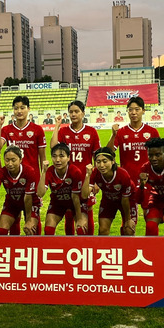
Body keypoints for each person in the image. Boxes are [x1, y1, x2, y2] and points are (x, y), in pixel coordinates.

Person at [106, 96, 160, 233]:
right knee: (128, 224)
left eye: (137, 109)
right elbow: (108, 152)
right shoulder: (122, 132)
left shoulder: (152, 132)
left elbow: (160, 157)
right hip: (127, 183)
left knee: (151, 222)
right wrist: (113, 135)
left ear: (143, 111)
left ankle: (150, 251)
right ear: (127, 112)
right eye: (131, 110)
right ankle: (128, 252)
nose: (134, 112)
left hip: (147, 182)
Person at [0, 96, 46, 234]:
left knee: (33, 217)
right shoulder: (7, 129)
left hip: (32, 178)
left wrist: (42, 177)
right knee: (14, 212)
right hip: (13, 178)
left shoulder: (37, 130)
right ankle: (14, 248)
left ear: (28, 109)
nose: (19, 111)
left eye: (22, 107)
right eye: (16, 108)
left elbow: (42, 156)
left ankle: (37, 244)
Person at [51, 100, 101, 235]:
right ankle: (70, 242)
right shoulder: (64, 131)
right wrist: (56, 126)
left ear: (83, 113)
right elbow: (53, 147)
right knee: (69, 212)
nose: (73, 114)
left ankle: (89, 241)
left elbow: (98, 158)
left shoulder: (91, 132)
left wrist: (96, 180)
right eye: (71, 112)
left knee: (88, 209)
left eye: (76, 111)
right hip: (68, 178)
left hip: (86, 178)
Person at [81, 147, 137, 236]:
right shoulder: (95, 173)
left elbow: (125, 199)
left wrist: (128, 219)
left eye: (105, 161)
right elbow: (84, 195)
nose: (102, 165)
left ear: (113, 161)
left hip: (128, 201)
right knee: (103, 230)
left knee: (128, 230)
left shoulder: (123, 175)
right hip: (108, 200)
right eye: (98, 162)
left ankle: (127, 249)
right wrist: (87, 175)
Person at [0, 146, 40, 235]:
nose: (10, 163)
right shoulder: (1, 172)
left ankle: (36, 246)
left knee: (30, 229)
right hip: (12, 203)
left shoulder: (29, 171)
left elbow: (28, 197)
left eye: (13, 160)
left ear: (20, 160)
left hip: (30, 203)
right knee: (1, 231)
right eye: (7, 160)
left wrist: (28, 220)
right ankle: (9, 248)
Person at [38, 143, 87, 235]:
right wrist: (43, 172)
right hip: (58, 203)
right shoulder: (49, 171)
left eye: (61, 156)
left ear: (68, 158)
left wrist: (79, 219)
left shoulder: (75, 171)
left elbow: (75, 197)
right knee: (48, 230)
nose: (57, 160)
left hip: (75, 203)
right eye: (54, 156)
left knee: (82, 229)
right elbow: (40, 193)